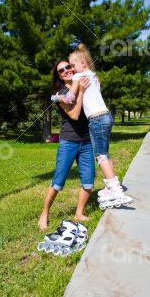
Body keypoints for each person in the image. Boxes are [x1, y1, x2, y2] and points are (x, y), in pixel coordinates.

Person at [51, 44, 132, 209]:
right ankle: (114, 186)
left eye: (72, 66)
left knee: (101, 155)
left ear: (83, 63)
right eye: (65, 68)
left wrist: (55, 98)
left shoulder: (77, 77)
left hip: (96, 119)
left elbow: (69, 98)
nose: (71, 69)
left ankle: (114, 189)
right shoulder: (93, 76)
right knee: (105, 154)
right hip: (107, 117)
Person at [38, 60, 95, 230]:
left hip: (87, 141)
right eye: (61, 70)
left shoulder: (84, 83)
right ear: (59, 76)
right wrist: (82, 92)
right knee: (58, 181)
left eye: (68, 67)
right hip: (68, 141)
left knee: (89, 181)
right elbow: (75, 114)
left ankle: (79, 212)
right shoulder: (60, 94)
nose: (66, 71)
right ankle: (45, 213)